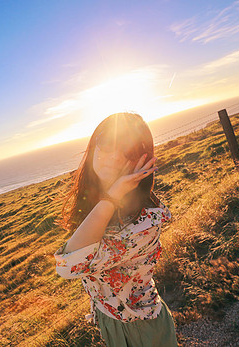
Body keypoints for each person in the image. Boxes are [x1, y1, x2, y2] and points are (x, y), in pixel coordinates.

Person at [54, 112, 178, 346]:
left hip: (140, 329)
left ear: (142, 160)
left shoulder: (145, 221)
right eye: (107, 143)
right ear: (94, 146)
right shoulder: (98, 202)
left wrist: (112, 196)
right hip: (112, 319)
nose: (114, 156)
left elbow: (67, 267)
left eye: (128, 151)